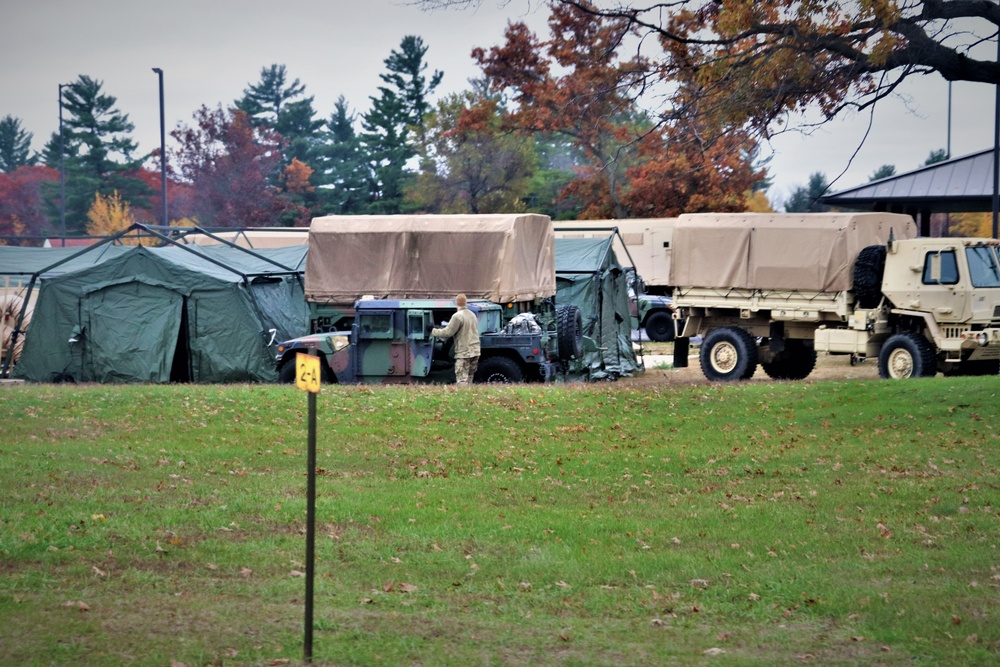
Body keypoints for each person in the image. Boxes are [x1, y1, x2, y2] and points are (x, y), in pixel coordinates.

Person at [432, 294, 481, 385]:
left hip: (464, 352)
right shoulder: (472, 315)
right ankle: (469, 397)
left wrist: (433, 330)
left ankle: (462, 397)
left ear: (456, 303)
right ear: (465, 302)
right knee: (469, 379)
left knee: (462, 380)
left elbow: (447, 333)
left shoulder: (457, 316)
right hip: (475, 351)